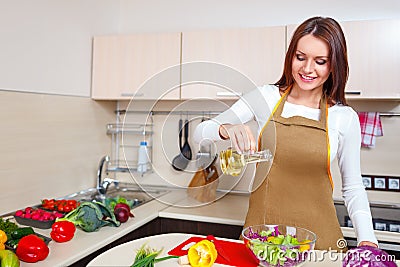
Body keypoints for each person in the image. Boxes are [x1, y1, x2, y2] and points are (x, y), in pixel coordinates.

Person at [193, 16, 378, 250]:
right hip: (262, 242)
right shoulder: (265, 98)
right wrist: (225, 128)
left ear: (334, 65)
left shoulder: (344, 117)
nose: (307, 69)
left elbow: (353, 187)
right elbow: (199, 133)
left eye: (320, 61)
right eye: (300, 57)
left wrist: (368, 238)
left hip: (320, 244)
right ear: (291, 56)